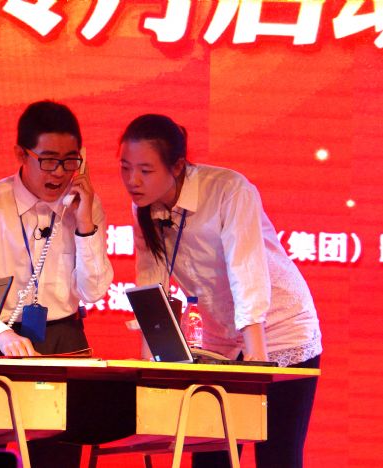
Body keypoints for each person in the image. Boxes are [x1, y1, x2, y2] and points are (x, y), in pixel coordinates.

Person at [118, 114, 322, 468]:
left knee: (277, 456)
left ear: (177, 166)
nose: (133, 180)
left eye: (145, 170)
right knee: (211, 455)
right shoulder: (144, 207)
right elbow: (151, 286)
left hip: (279, 329)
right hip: (220, 340)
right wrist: (150, 366)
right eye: (125, 168)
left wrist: (257, 364)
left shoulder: (229, 190)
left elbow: (246, 272)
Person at [0, 100, 113, 466]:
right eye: (49, 160)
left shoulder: (84, 205)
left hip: (64, 341)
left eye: (70, 161)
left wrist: (85, 224)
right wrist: (2, 335)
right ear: (21, 154)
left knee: (59, 459)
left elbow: (93, 291)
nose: (60, 173)